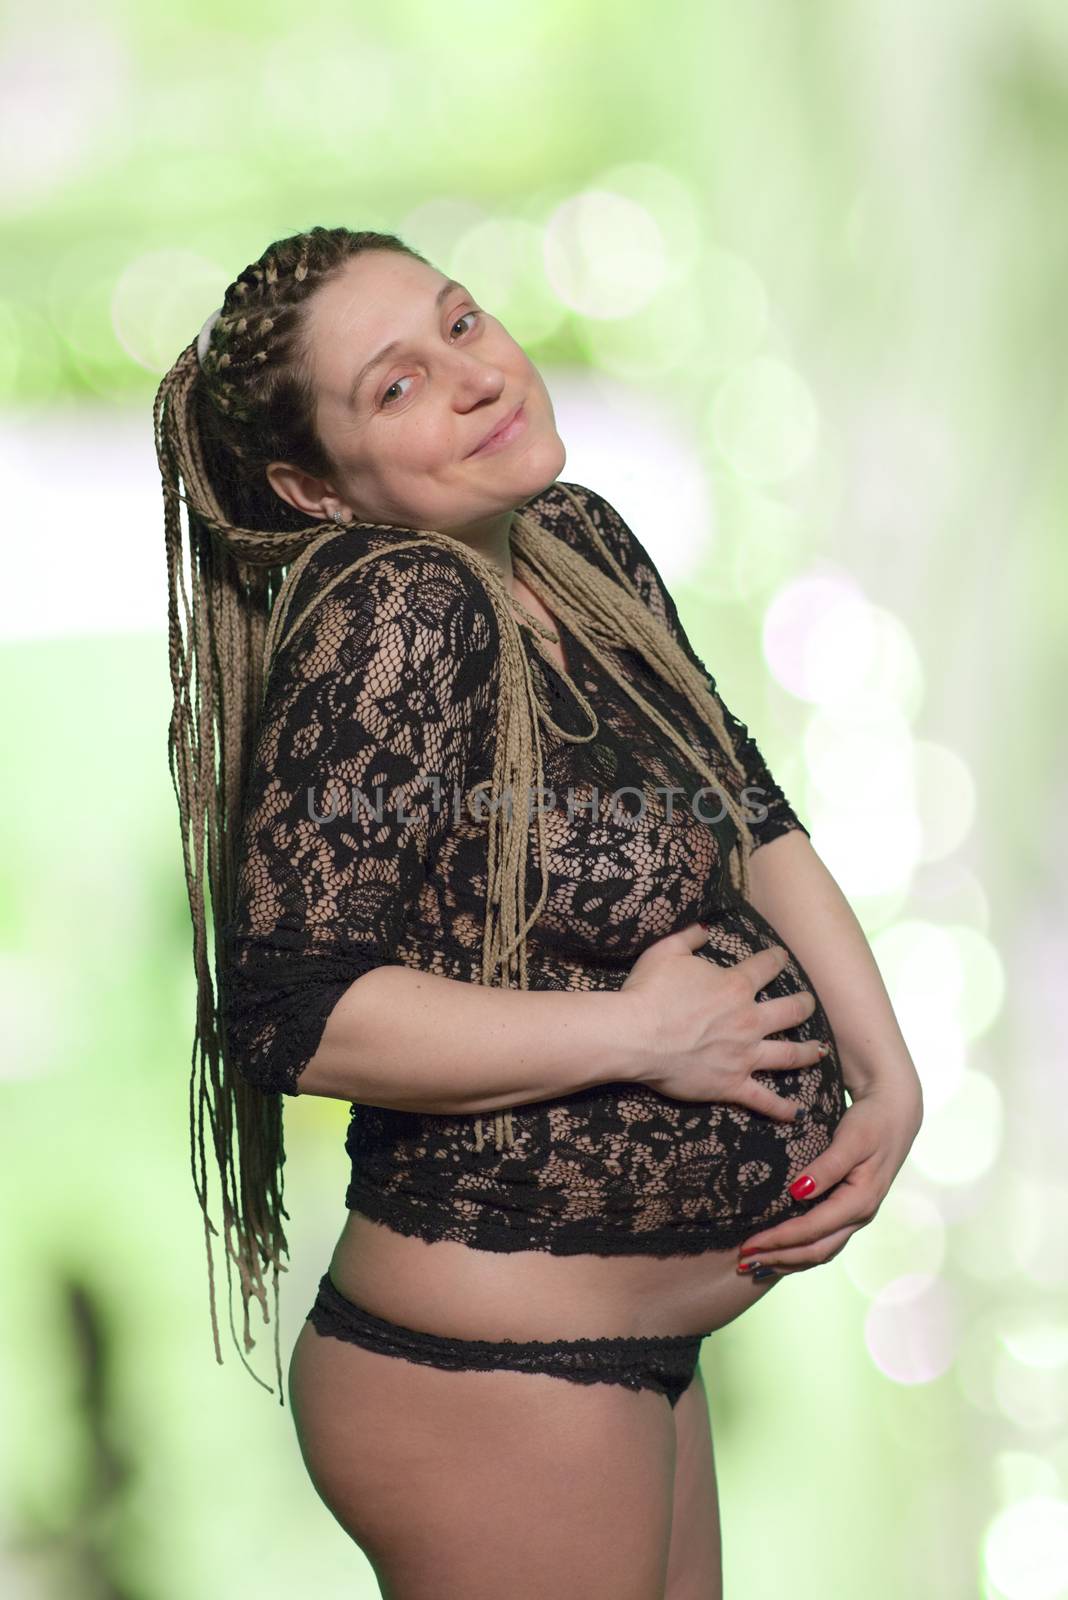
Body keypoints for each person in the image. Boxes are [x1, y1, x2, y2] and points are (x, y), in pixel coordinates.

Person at [154, 225, 924, 1599]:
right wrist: (641, 1036)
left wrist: (889, 1072)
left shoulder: (571, 540)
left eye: (459, 323)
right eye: (393, 386)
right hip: (488, 1384)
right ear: (313, 489)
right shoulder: (400, 603)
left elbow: (740, 808)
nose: (470, 374)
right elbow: (291, 1016)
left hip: (619, 1361)